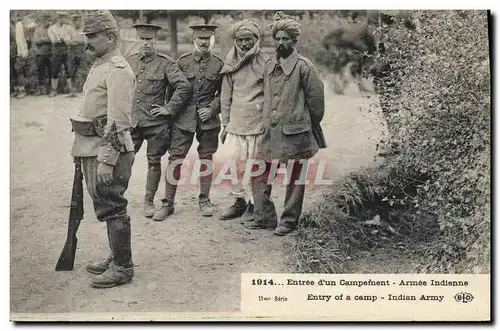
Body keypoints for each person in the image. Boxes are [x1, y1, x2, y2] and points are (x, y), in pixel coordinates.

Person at [69, 10, 136, 288]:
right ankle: (116, 255)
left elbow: (118, 120)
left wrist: (107, 160)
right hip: (91, 148)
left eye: (92, 37)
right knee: (105, 205)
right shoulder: (101, 65)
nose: (87, 43)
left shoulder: (118, 70)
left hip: (108, 152)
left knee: (112, 206)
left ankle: (123, 267)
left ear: (110, 37)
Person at [243, 12, 326, 236]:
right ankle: (264, 217)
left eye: (285, 39)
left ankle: (289, 221)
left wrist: (301, 123)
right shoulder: (270, 64)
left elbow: (317, 104)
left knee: (295, 178)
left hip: (295, 133)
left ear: (294, 41)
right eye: (278, 39)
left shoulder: (304, 67)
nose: (281, 43)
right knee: (259, 172)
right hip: (270, 133)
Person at [154, 24, 223, 220]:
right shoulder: (182, 62)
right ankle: (168, 203)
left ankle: (204, 199)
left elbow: (224, 93)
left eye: (207, 38)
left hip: (208, 120)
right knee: (175, 158)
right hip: (183, 119)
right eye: (200, 38)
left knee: (207, 158)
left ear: (213, 40)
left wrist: (211, 109)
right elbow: (171, 90)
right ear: (193, 39)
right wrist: (170, 111)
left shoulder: (219, 64)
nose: (203, 42)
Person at [125, 23, 191, 219]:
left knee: (154, 162)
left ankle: (148, 201)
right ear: (137, 40)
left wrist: (169, 108)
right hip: (133, 122)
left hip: (156, 124)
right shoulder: (129, 62)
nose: (145, 43)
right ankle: (116, 199)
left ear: (155, 41)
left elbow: (184, 86)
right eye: (142, 39)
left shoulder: (166, 63)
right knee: (124, 158)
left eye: (149, 40)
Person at [218, 20, 269, 224]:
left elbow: (270, 96)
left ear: (256, 40)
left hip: (257, 126)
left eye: (248, 40)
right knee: (235, 165)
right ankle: (239, 201)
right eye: (240, 40)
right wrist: (225, 123)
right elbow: (225, 96)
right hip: (236, 126)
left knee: (254, 167)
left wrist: (267, 123)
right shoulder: (230, 62)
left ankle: (253, 204)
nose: (244, 44)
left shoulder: (265, 63)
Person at [48, 11, 72, 97]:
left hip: (66, 51)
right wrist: (63, 38)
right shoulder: (52, 28)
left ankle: (71, 90)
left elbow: (69, 40)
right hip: (56, 52)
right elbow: (53, 41)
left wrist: (62, 39)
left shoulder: (68, 28)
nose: (65, 19)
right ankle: (54, 90)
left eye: (65, 17)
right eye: (64, 17)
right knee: (54, 70)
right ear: (59, 18)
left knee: (69, 70)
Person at [66, 13, 87, 97]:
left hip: (82, 52)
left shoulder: (84, 29)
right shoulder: (69, 30)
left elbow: (84, 41)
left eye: (78, 20)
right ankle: (72, 90)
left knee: (84, 71)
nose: (77, 23)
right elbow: (67, 41)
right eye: (74, 21)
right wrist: (77, 41)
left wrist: (74, 41)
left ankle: (85, 90)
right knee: (71, 71)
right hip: (72, 53)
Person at [32, 13, 53, 96]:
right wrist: (45, 39)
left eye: (48, 20)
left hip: (51, 53)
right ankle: (41, 89)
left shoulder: (52, 29)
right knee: (40, 71)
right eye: (45, 20)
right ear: (42, 21)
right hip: (40, 54)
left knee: (51, 71)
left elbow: (52, 39)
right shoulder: (37, 29)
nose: (47, 22)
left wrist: (42, 39)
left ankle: (50, 89)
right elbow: (35, 40)